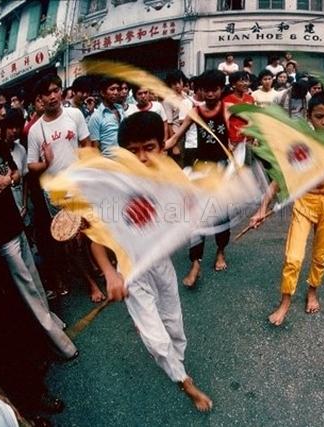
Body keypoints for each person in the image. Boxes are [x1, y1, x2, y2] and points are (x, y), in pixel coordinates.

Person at [90, 111, 213, 412]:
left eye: (149, 147)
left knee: (173, 322)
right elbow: (96, 241)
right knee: (156, 339)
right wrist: (110, 274)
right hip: (131, 273)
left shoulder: (171, 180)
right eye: (133, 151)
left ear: (162, 146)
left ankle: (177, 363)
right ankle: (185, 383)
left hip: (162, 266)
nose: (142, 157)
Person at [249, 92, 324, 326]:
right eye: (319, 117)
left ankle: (312, 291)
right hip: (305, 203)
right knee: (293, 257)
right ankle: (285, 302)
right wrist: (261, 209)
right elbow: (278, 179)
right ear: (309, 117)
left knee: (321, 255)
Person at [0, 90, 78, 361]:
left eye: (3, 107)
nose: (3, 113)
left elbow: (16, 173)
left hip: (15, 223)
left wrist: (9, 179)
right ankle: (59, 344)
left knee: (36, 282)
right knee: (27, 288)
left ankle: (53, 323)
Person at [27, 74, 104, 302]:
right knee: (70, 242)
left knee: (93, 231)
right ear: (40, 98)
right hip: (57, 195)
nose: (53, 96)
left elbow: (86, 143)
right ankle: (91, 284)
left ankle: (101, 268)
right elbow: (32, 166)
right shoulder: (35, 130)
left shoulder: (75, 115)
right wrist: (46, 163)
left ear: (61, 91)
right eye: (47, 93)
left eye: (56, 90)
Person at [165, 70, 232, 283]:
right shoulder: (196, 110)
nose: (211, 94)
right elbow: (177, 134)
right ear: (200, 91)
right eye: (206, 90)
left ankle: (220, 251)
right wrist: (163, 146)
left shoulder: (227, 109)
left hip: (222, 168)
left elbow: (234, 136)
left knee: (221, 214)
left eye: (215, 89)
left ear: (221, 89)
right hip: (200, 168)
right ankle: (196, 262)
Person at [87, 77, 125, 154]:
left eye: (118, 89)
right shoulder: (96, 117)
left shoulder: (120, 109)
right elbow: (95, 147)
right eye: (112, 89)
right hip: (108, 161)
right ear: (102, 93)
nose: (116, 92)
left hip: (125, 159)